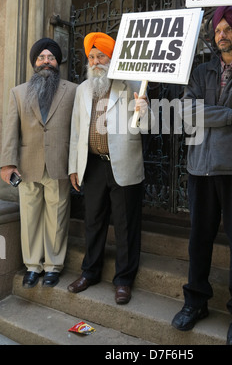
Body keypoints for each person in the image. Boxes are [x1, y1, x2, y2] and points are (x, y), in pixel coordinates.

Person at [171, 6, 232, 345]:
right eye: (218, 30)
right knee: (199, 239)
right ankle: (195, 301)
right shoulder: (202, 72)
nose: (223, 34)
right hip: (200, 167)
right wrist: (231, 115)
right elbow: (187, 111)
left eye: (229, 28)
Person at [67, 32, 150, 305]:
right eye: (91, 57)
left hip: (122, 163)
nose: (95, 61)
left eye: (100, 55)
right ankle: (89, 272)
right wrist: (73, 167)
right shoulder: (83, 90)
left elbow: (147, 128)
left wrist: (144, 108)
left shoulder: (131, 85)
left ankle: (124, 280)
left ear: (112, 58)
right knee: (93, 221)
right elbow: (76, 132)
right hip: (92, 166)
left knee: (126, 224)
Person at [0, 38, 77, 288]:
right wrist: (7, 164)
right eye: (41, 58)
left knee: (57, 216)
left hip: (59, 164)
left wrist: (76, 165)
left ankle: (53, 266)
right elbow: (10, 130)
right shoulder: (18, 92)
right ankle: (32, 266)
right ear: (35, 63)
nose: (46, 61)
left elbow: (77, 132)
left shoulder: (73, 90)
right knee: (30, 216)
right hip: (27, 164)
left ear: (58, 62)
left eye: (51, 57)